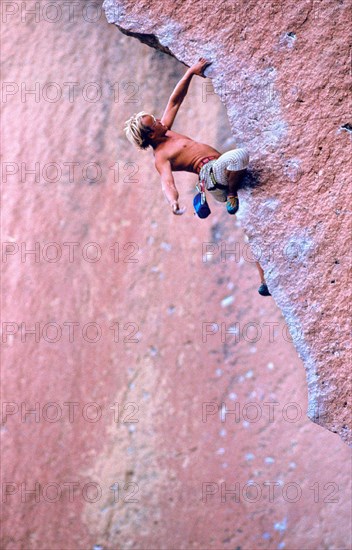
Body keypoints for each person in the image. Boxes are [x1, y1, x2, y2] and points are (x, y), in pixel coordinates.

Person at [124, 58, 271, 297]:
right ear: (150, 134)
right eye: (155, 123)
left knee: (253, 229)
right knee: (239, 156)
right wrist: (173, 200)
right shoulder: (161, 156)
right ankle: (232, 193)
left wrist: (191, 72)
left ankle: (265, 281)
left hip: (222, 170)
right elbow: (166, 182)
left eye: (157, 119)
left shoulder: (166, 131)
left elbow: (175, 100)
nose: (161, 121)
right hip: (213, 177)